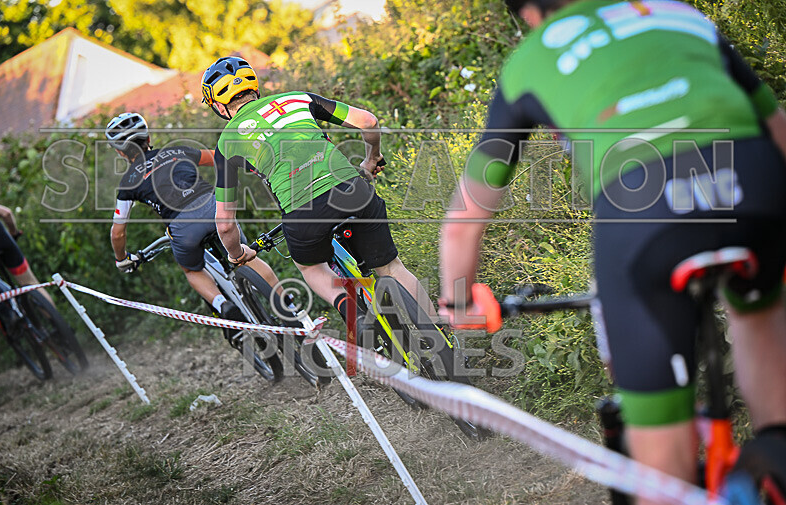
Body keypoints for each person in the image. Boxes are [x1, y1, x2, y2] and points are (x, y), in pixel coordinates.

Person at [438, 0, 786, 499]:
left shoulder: (532, 59)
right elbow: (778, 132)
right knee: (758, 315)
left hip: (643, 217)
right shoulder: (675, 12)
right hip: (755, 182)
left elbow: (462, 225)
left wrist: (460, 300)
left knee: (662, 469)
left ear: (530, 14)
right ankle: (776, 452)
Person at [200, 56, 436, 327]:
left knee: (311, 268)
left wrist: (236, 254)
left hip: (303, 213)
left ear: (218, 105)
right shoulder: (296, 99)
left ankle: (354, 315)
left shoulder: (227, 142)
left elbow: (226, 224)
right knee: (392, 267)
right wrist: (372, 159)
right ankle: (446, 340)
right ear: (255, 87)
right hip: (352, 189)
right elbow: (368, 122)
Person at [106, 112, 284, 346]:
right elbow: (219, 157)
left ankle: (223, 306)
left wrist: (122, 259)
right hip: (213, 206)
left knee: (193, 270)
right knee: (243, 255)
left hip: (182, 227)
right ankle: (289, 308)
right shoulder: (176, 151)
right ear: (148, 137)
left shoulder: (127, 183)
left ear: (120, 152)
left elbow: (117, 232)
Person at [0, 200, 52, 329]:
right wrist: (14, 233)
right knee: (31, 283)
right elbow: (6, 213)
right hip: (0, 237)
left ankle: (6, 312)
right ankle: (62, 329)